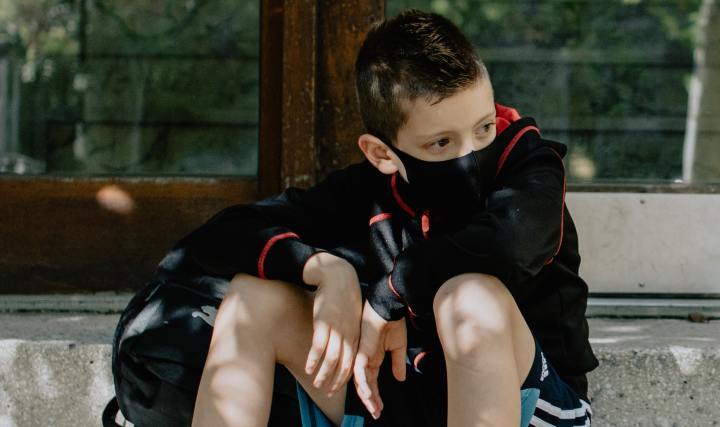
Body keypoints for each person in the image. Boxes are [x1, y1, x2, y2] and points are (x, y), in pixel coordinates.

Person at [109, 9, 596, 426]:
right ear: (383, 154)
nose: (471, 153)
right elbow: (214, 239)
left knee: (468, 295)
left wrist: (390, 296)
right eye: (441, 143)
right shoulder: (368, 189)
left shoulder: (528, 163)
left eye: (483, 127)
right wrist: (324, 269)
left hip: (528, 401)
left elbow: (507, 243)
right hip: (401, 397)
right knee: (252, 297)